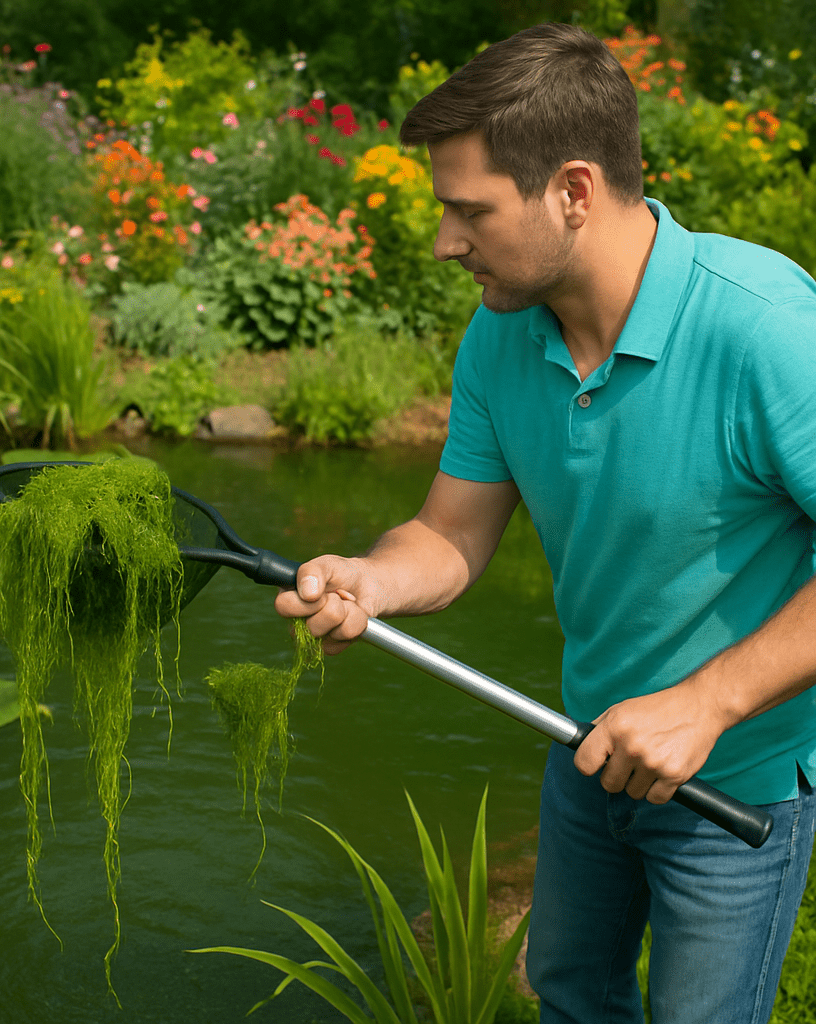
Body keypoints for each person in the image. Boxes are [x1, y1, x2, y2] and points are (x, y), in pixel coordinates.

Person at [275, 22, 816, 1024]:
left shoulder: (763, 329)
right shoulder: (500, 336)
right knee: (569, 994)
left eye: (466, 210)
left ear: (572, 190)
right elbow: (451, 531)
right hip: (581, 751)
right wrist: (374, 578)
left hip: (732, 784)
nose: (442, 242)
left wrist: (705, 703)